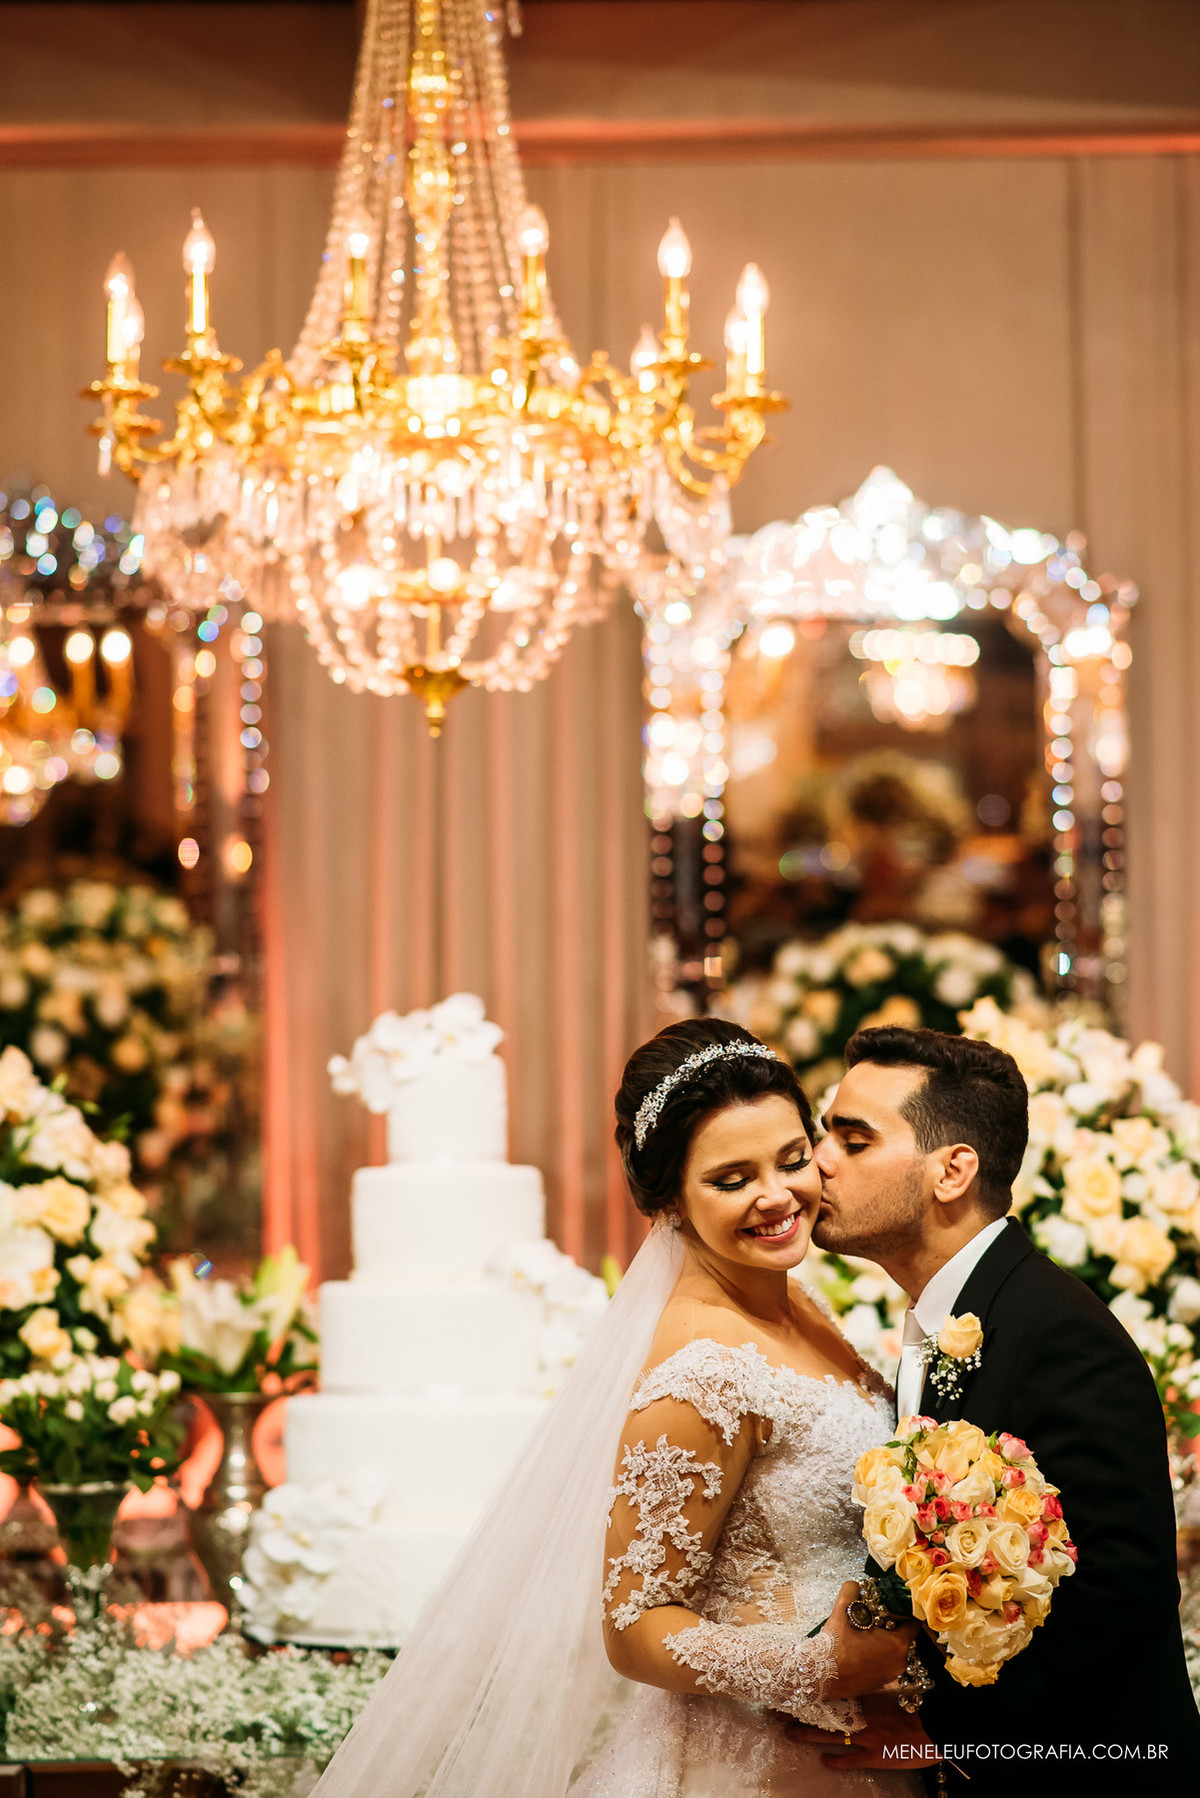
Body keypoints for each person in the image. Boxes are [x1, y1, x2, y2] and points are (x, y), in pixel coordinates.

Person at [308, 1018, 917, 1798]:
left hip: (864, 1742)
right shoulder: (702, 1371)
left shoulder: (797, 1297)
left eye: (793, 1159)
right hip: (758, 1760)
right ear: (669, 1199)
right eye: (731, 1180)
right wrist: (823, 1668)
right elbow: (636, 1627)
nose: (777, 1197)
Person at [795, 1024, 1200, 1796]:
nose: (820, 1162)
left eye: (853, 1139)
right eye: (826, 1135)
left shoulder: (1058, 1331)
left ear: (952, 1171)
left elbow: (1124, 1593)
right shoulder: (950, 1313)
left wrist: (943, 1734)